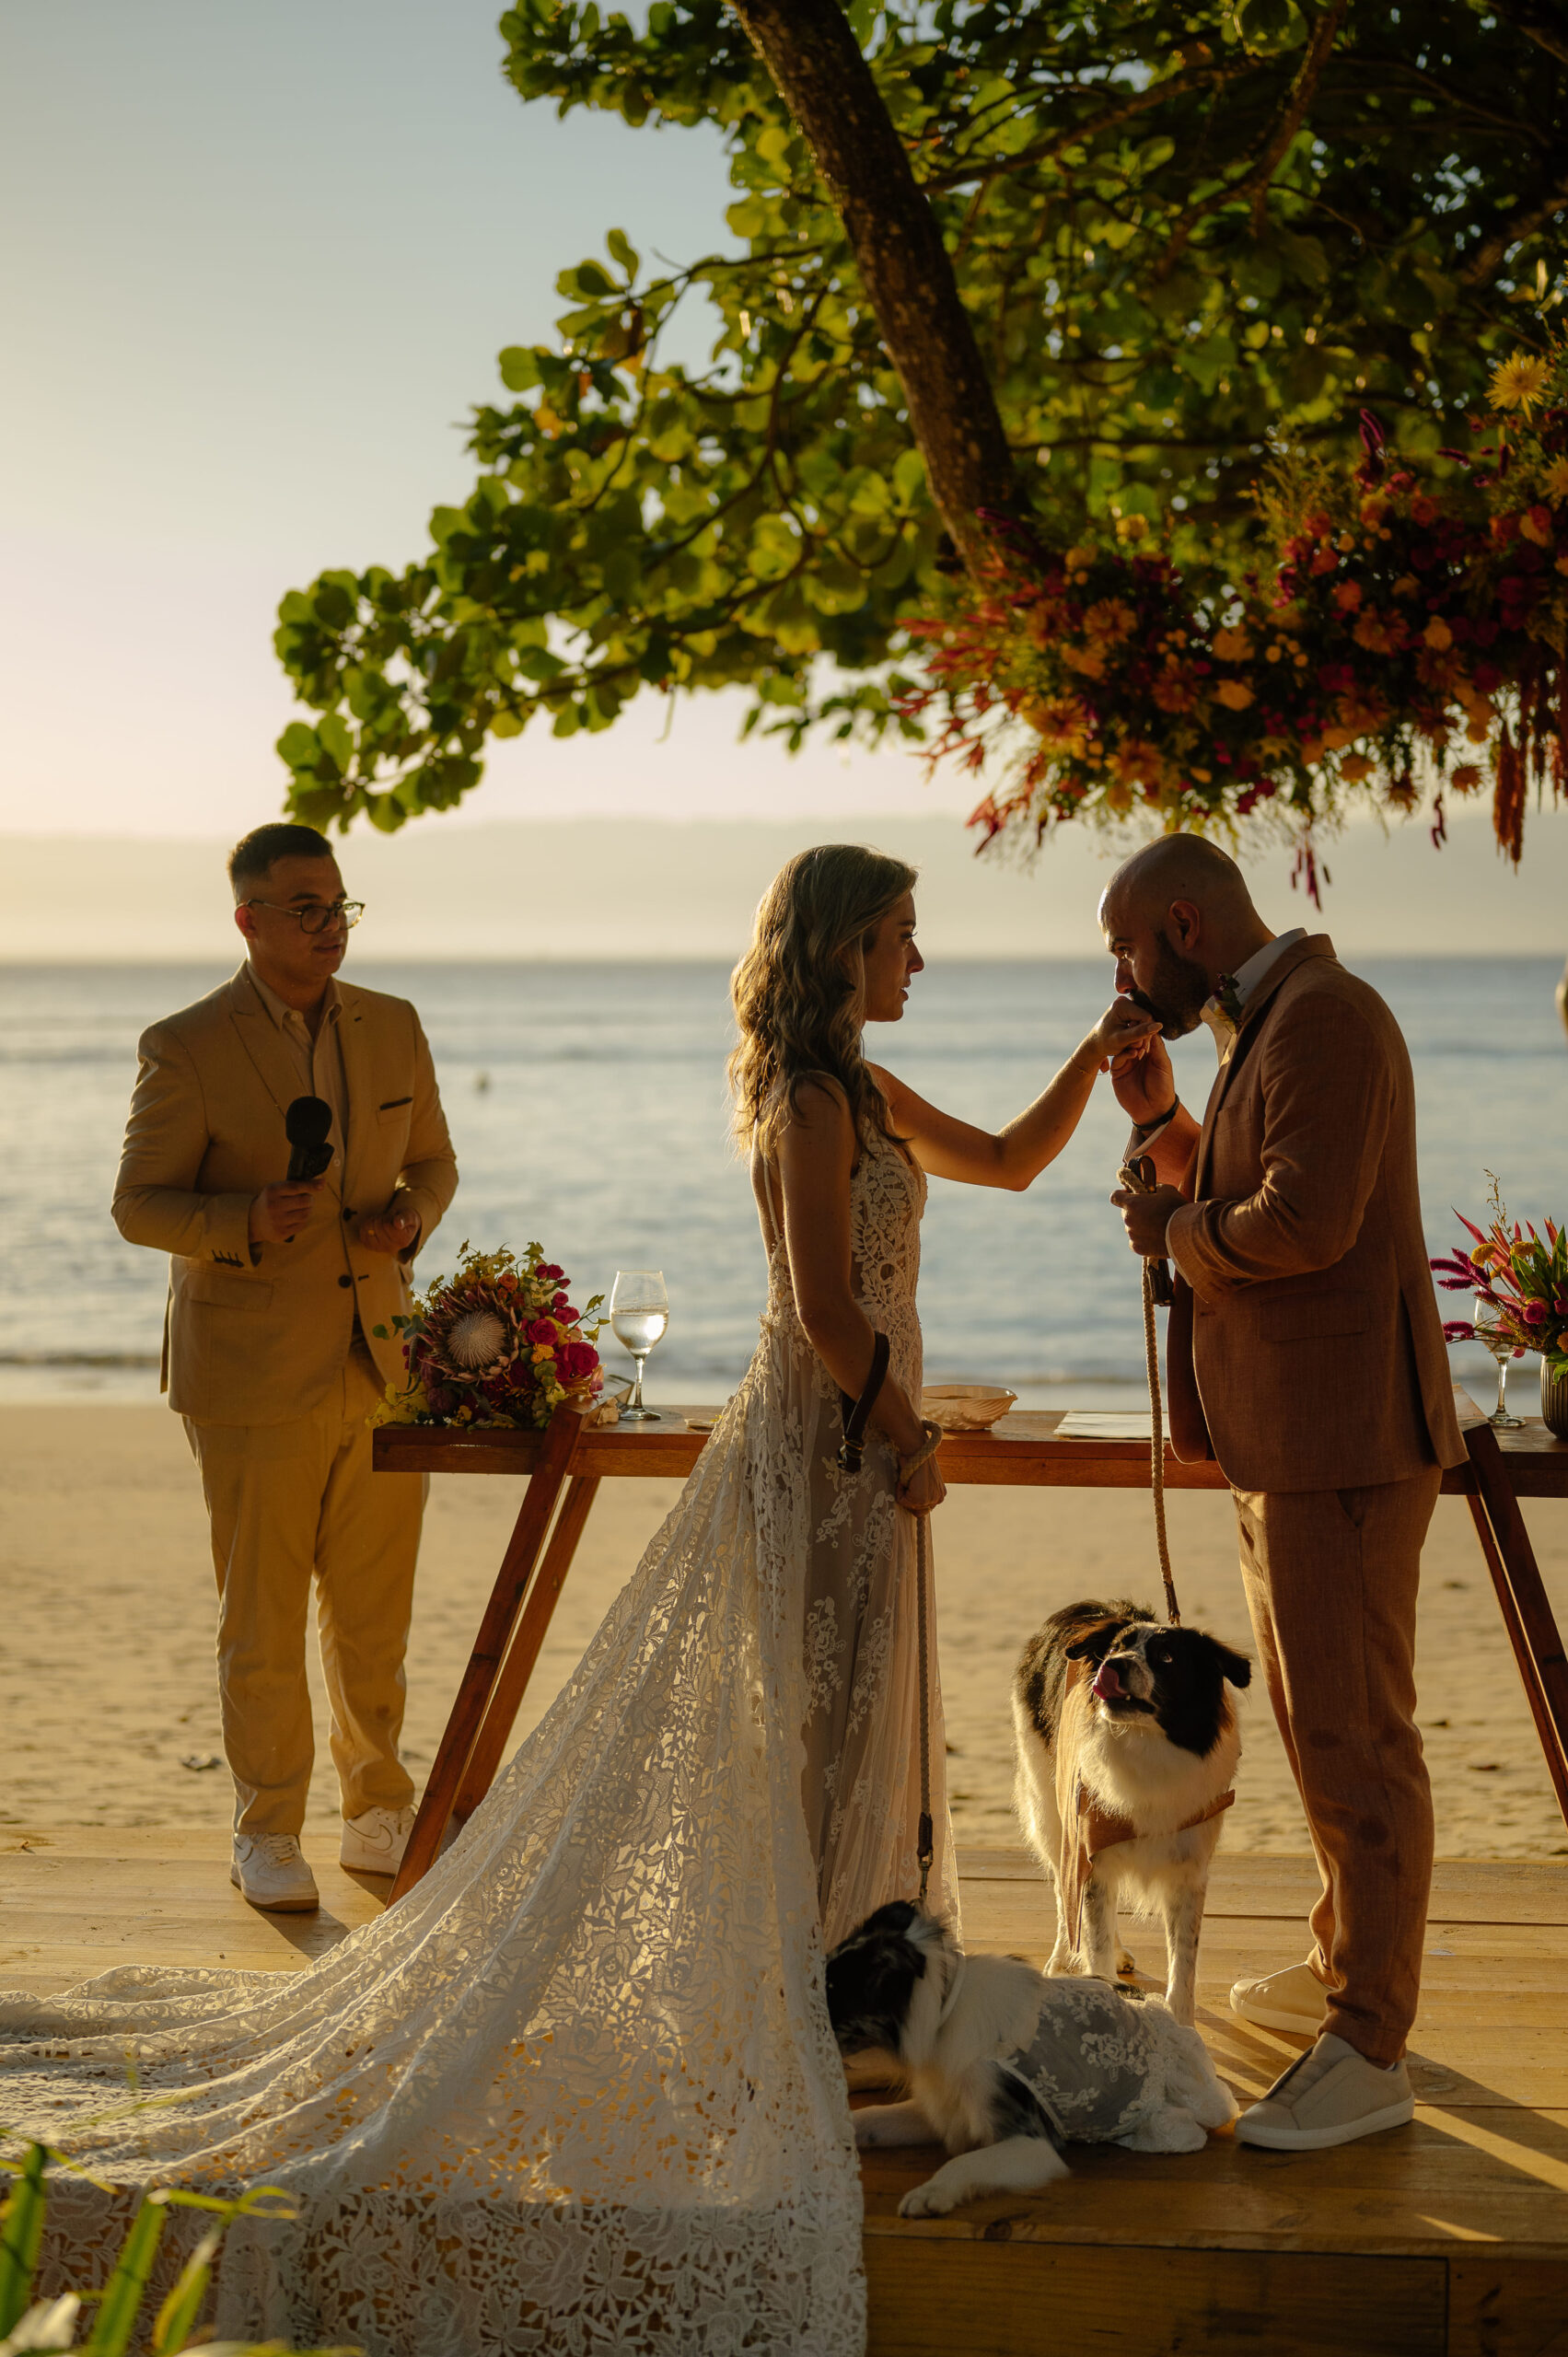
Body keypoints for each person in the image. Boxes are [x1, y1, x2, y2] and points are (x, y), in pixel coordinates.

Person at [3, 843, 1150, 2357]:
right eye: (898, 937)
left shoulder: (863, 1091)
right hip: (827, 1443)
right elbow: (817, 1308)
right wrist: (899, 1436)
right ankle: (805, 2016)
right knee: (815, 1729)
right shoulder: (806, 1101)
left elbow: (1004, 1162)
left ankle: (845, 2002)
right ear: (836, 951)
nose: (916, 962)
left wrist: (1096, 1054)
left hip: (874, 1439)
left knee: (859, 1726)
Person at [1102, 834, 1465, 2153]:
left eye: (1125, 949)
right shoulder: (1266, 1027)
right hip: (1291, 1441)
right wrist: (1155, 1122)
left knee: (1356, 1739)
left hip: (1344, 1442)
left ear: (1183, 925)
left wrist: (1172, 1235)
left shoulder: (1327, 1019)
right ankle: (1340, 1970)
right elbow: (1245, 1181)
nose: (1122, 978)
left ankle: (1369, 2043)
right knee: (1319, 1730)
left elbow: (1303, 1221)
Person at [110, 822, 459, 1910]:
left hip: (382, 1362)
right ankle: (265, 1827)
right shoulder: (187, 1044)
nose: (328, 927)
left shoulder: (393, 1026)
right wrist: (243, 1218)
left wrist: (409, 1216)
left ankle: (373, 1807)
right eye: (305, 908)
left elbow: (437, 1161)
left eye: (340, 905)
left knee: (374, 1615)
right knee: (259, 1617)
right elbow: (138, 1205)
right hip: (249, 1371)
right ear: (248, 920)